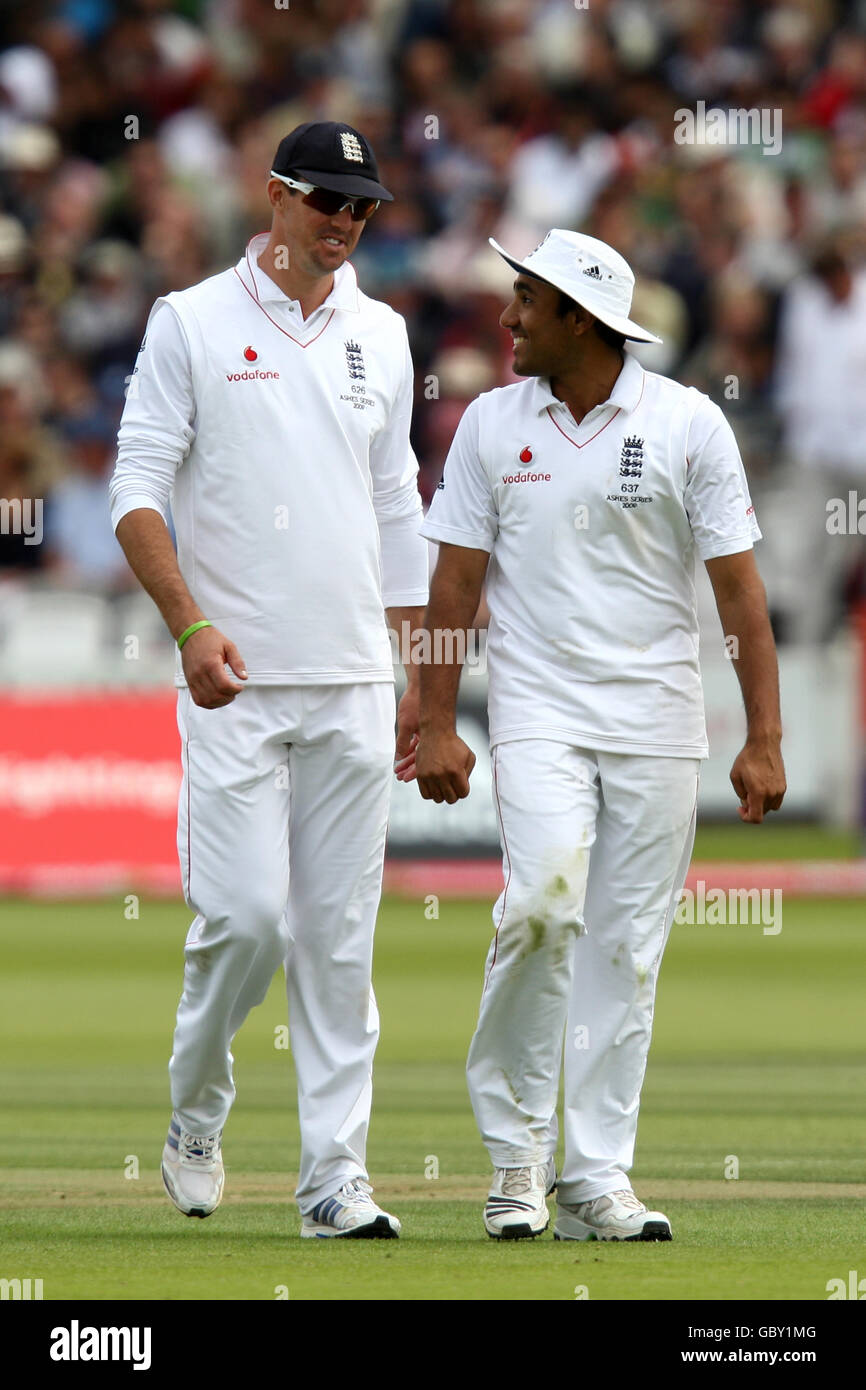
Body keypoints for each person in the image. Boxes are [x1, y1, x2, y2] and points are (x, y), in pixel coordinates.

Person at [405, 229, 786, 1241]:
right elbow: (451, 584)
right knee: (539, 905)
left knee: (624, 948)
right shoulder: (489, 423)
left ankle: (595, 1176)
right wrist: (435, 720)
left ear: (578, 316)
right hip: (537, 716)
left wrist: (763, 738)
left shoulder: (687, 423)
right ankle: (515, 1158)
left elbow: (740, 598)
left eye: (524, 299)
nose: (507, 316)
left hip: (658, 723)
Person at [109, 122, 428, 1239]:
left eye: (362, 208)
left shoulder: (382, 334)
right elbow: (136, 488)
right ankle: (196, 1110)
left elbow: (397, 507)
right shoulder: (190, 319)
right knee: (242, 920)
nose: (345, 223)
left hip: (351, 680)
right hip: (234, 681)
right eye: (328, 201)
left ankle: (333, 1178)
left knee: (338, 942)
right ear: (277, 197)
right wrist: (188, 623)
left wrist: (423, 680)